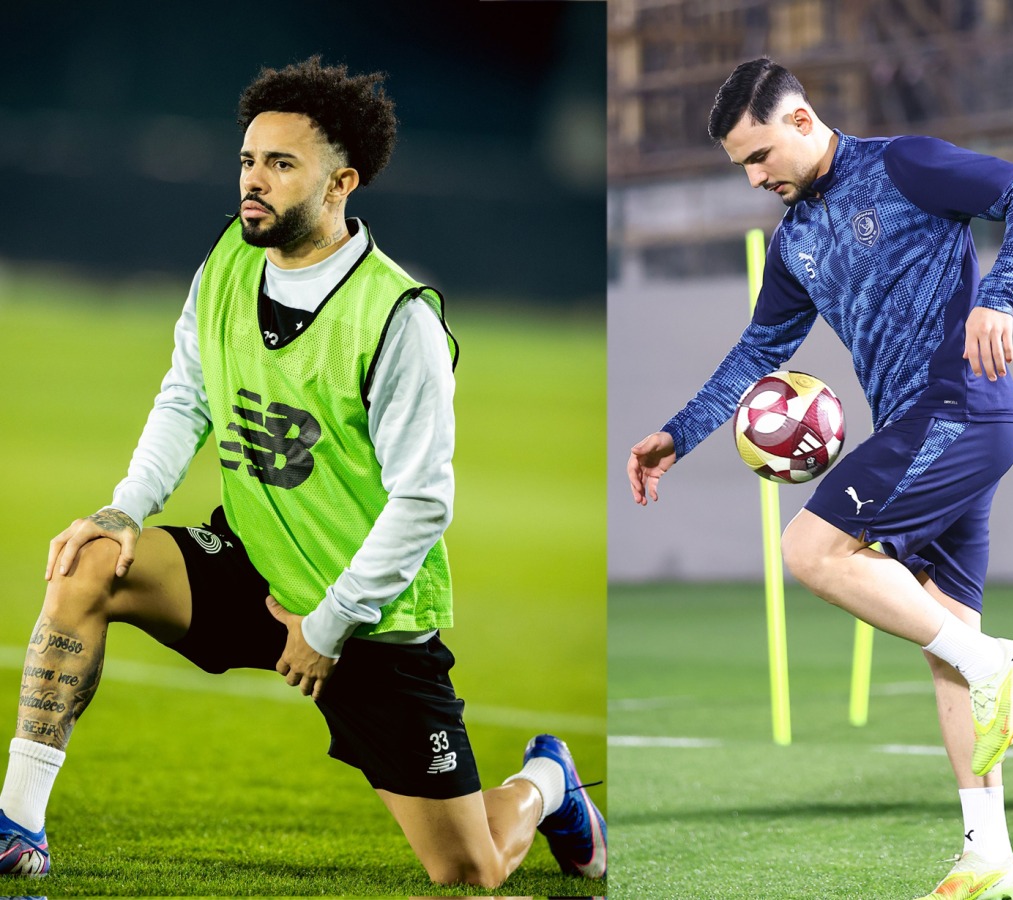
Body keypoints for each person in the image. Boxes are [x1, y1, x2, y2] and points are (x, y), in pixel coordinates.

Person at [0, 56, 605, 888]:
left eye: (282, 165)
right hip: (247, 563)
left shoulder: (398, 319)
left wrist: (330, 624)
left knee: (468, 869)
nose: (255, 181)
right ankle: (17, 824)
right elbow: (188, 396)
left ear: (340, 183)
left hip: (366, 616)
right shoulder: (227, 261)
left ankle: (547, 784)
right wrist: (126, 508)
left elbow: (424, 500)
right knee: (89, 562)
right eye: (249, 160)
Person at [627, 58, 1013, 900]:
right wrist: (680, 433)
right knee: (946, 645)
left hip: (959, 411)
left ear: (799, 120)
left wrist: (999, 294)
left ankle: (995, 661)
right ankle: (989, 855)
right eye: (741, 167)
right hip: (927, 430)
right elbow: (760, 350)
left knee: (812, 550)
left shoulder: (903, 165)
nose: (755, 178)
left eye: (759, 157)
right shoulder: (794, 243)